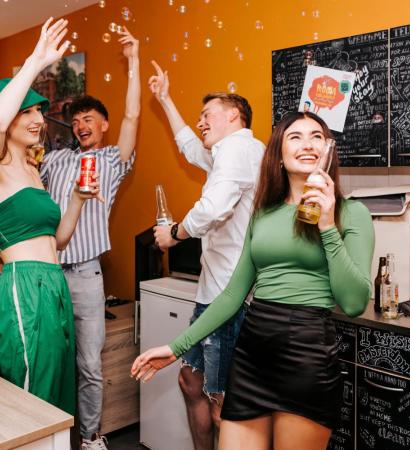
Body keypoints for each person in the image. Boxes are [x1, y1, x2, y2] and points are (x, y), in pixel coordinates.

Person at [132, 111, 375, 450]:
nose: (307, 144)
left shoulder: (353, 213)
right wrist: (176, 348)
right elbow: (233, 294)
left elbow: (353, 302)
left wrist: (327, 225)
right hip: (252, 353)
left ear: (329, 150)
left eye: (316, 136)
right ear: (278, 153)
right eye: (295, 136)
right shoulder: (263, 214)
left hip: (307, 356)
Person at [0, 18, 101, 416]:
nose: (40, 119)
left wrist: (75, 198)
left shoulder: (31, 170)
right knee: (29, 404)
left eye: (40, 110)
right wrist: (36, 60)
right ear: (9, 119)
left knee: (57, 402)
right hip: (23, 288)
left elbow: (56, 241)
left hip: (54, 283)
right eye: (29, 112)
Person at [147, 60, 265, 450]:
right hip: (211, 295)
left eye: (207, 114)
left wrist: (174, 235)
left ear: (234, 116)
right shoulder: (230, 152)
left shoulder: (240, 149)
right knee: (191, 382)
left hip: (231, 299)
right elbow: (190, 149)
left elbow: (213, 208)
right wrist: (164, 98)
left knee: (221, 402)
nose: (200, 122)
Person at [38, 26, 140, 450]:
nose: (81, 125)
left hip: (84, 276)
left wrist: (133, 61)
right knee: (50, 361)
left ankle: (91, 436)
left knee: (89, 365)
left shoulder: (111, 160)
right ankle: (49, 436)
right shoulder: (55, 159)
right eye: (76, 120)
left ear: (104, 125)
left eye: (89, 119)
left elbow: (134, 117)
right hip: (44, 271)